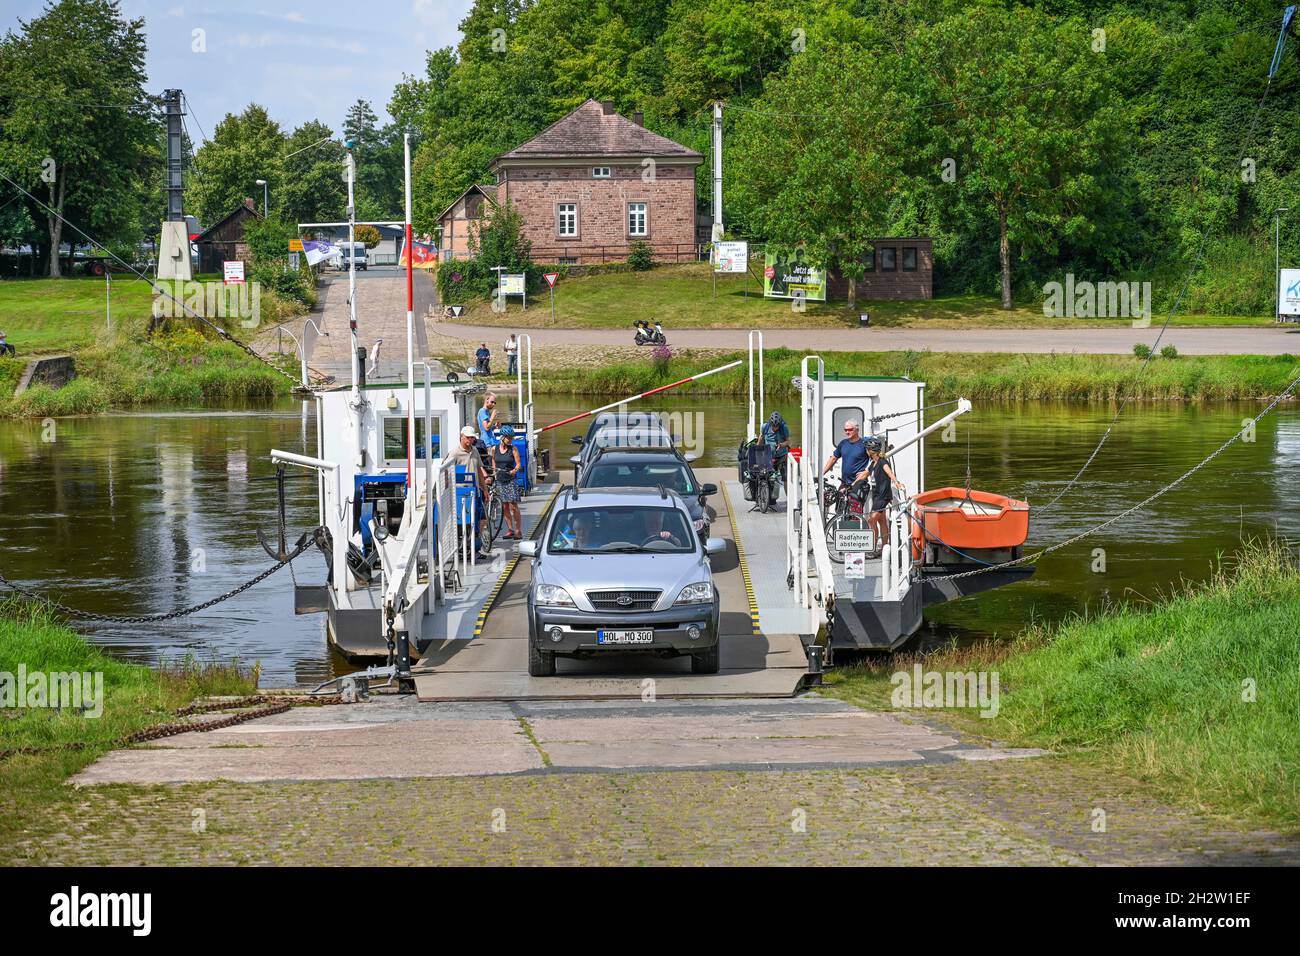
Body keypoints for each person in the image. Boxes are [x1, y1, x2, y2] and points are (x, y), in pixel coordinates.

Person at [451, 425, 493, 556]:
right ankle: (461, 548)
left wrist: (485, 489)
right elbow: (446, 473)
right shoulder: (455, 453)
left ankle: (474, 548)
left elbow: (479, 471)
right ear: (461, 437)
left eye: (472, 438)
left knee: (476, 519)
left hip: (475, 491)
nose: (470, 440)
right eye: (468, 438)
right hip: (460, 494)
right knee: (461, 521)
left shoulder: (474, 451)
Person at [863, 436, 905, 558]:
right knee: (882, 521)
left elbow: (889, 472)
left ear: (871, 450)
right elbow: (866, 473)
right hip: (877, 495)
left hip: (883, 495)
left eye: (867, 449)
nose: (866, 451)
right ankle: (886, 547)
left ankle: (873, 547)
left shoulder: (882, 462)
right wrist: (854, 483)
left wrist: (897, 482)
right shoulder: (873, 463)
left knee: (871, 520)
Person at [822, 418, 870, 490]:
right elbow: (833, 458)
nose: (847, 432)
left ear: (857, 430)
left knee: (853, 501)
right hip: (844, 483)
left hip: (859, 484)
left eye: (850, 430)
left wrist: (867, 472)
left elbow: (876, 461)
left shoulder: (864, 444)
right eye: (845, 430)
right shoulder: (843, 443)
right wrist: (821, 474)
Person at [493, 425, 524, 540]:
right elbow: (493, 462)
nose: (510, 440)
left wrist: (514, 471)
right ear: (502, 437)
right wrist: (494, 474)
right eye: (508, 438)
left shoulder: (513, 449)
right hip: (500, 479)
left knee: (513, 505)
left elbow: (518, 464)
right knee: (505, 506)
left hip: (510, 479)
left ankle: (518, 530)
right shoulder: (494, 449)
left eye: (511, 438)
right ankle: (510, 529)